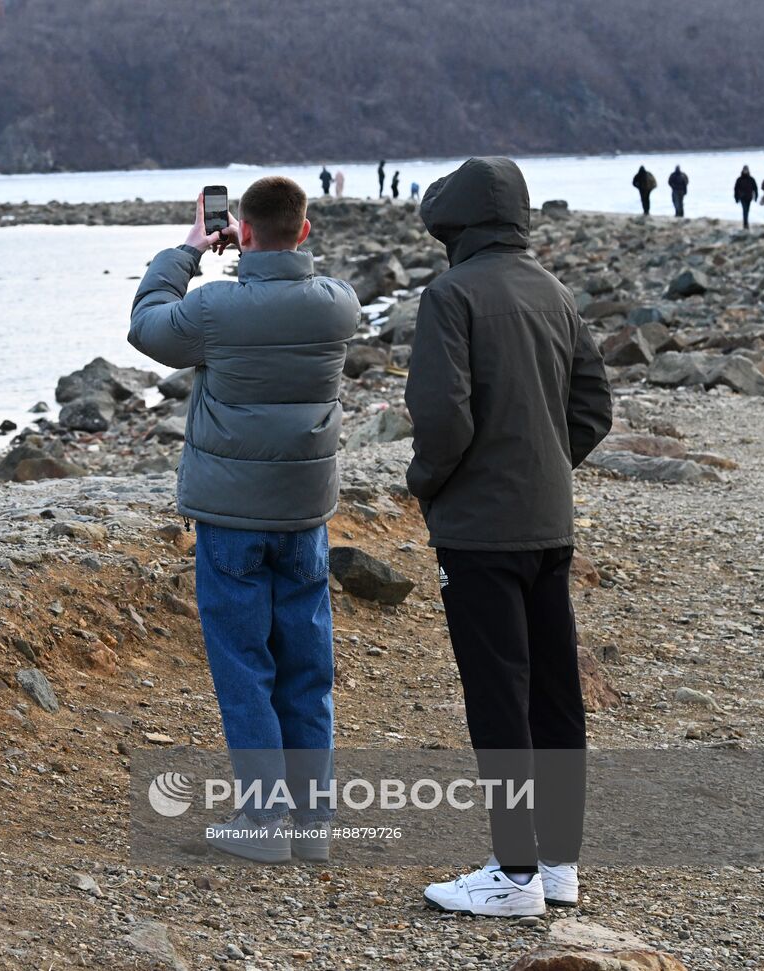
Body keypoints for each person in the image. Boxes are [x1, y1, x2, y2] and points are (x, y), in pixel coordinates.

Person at [128, 177, 359, 863]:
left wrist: (189, 248)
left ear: (242, 232)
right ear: (307, 230)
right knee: (306, 666)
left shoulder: (216, 309)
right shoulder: (338, 305)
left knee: (243, 664)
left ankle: (263, 823)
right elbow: (299, 285)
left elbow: (146, 326)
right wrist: (261, 251)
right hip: (304, 512)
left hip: (231, 515)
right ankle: (311, 823)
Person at [405, 157, 612, 917]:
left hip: (480, 529)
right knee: (556, 696)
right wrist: (549, 464)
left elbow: (444, 417)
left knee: (499, 696)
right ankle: (556, 862)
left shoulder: (451, 294)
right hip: (547, 523)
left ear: (454, 222)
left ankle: (513, 873)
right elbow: (593, 406)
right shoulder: (554, 292)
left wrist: (427, 480)